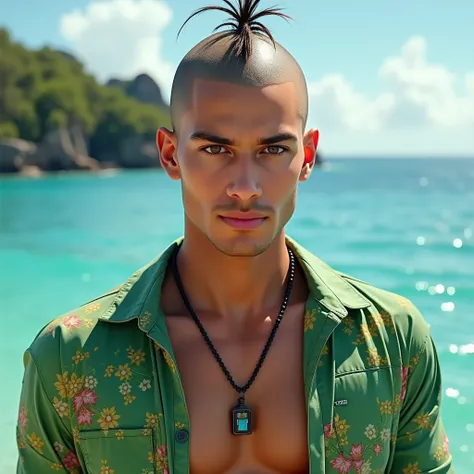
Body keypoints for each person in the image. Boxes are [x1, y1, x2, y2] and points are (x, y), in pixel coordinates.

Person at [16, 1, 454, 473]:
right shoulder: (69, 358)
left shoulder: (392, 342)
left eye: (272, 149)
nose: (245, 186)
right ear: (169, 154)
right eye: (214, 148)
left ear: (307, 157)